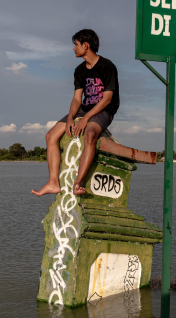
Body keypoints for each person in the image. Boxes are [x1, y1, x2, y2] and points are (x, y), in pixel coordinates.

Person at [32, 29, 120, 197]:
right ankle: (53, 182)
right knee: (51, 136)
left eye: (76, 44)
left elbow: (107, 99)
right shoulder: (79, 70)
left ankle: (78, 183)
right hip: (85, 108)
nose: (73, 48)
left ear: (85, 45)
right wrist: (71, 118)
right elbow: (77, 99)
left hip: (104, 110)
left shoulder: (107, 66)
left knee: (90, 134)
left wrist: (85, 119)